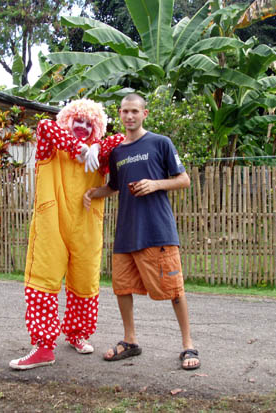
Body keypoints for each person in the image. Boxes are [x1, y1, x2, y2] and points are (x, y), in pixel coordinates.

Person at [83, 93, 200, 370]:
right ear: (119, 114)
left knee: (174, 289)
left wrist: (155, 184)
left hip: (157, 230)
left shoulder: (160, 143)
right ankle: (130, 341)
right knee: (122, 288)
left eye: (134, 111)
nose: (129, 116)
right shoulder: (117, 152)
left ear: (144, 113)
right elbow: (114, 186)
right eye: (124, 112)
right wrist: (92, 192)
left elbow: (183, 180)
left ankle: (188, 345)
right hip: (126, 233)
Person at [9, 99, 124, 370]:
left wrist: (97, 146)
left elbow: (120, 139)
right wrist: (78, 148)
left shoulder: (100, 156)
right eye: (77, 121)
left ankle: (78, 334)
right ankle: (43, 347)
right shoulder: (52, 144)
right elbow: (44, 125)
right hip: (52, 223)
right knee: (42, 280)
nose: (82, 127)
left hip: (87, 224)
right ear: (68, 120)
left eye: (89, 123)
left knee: (85, 282)